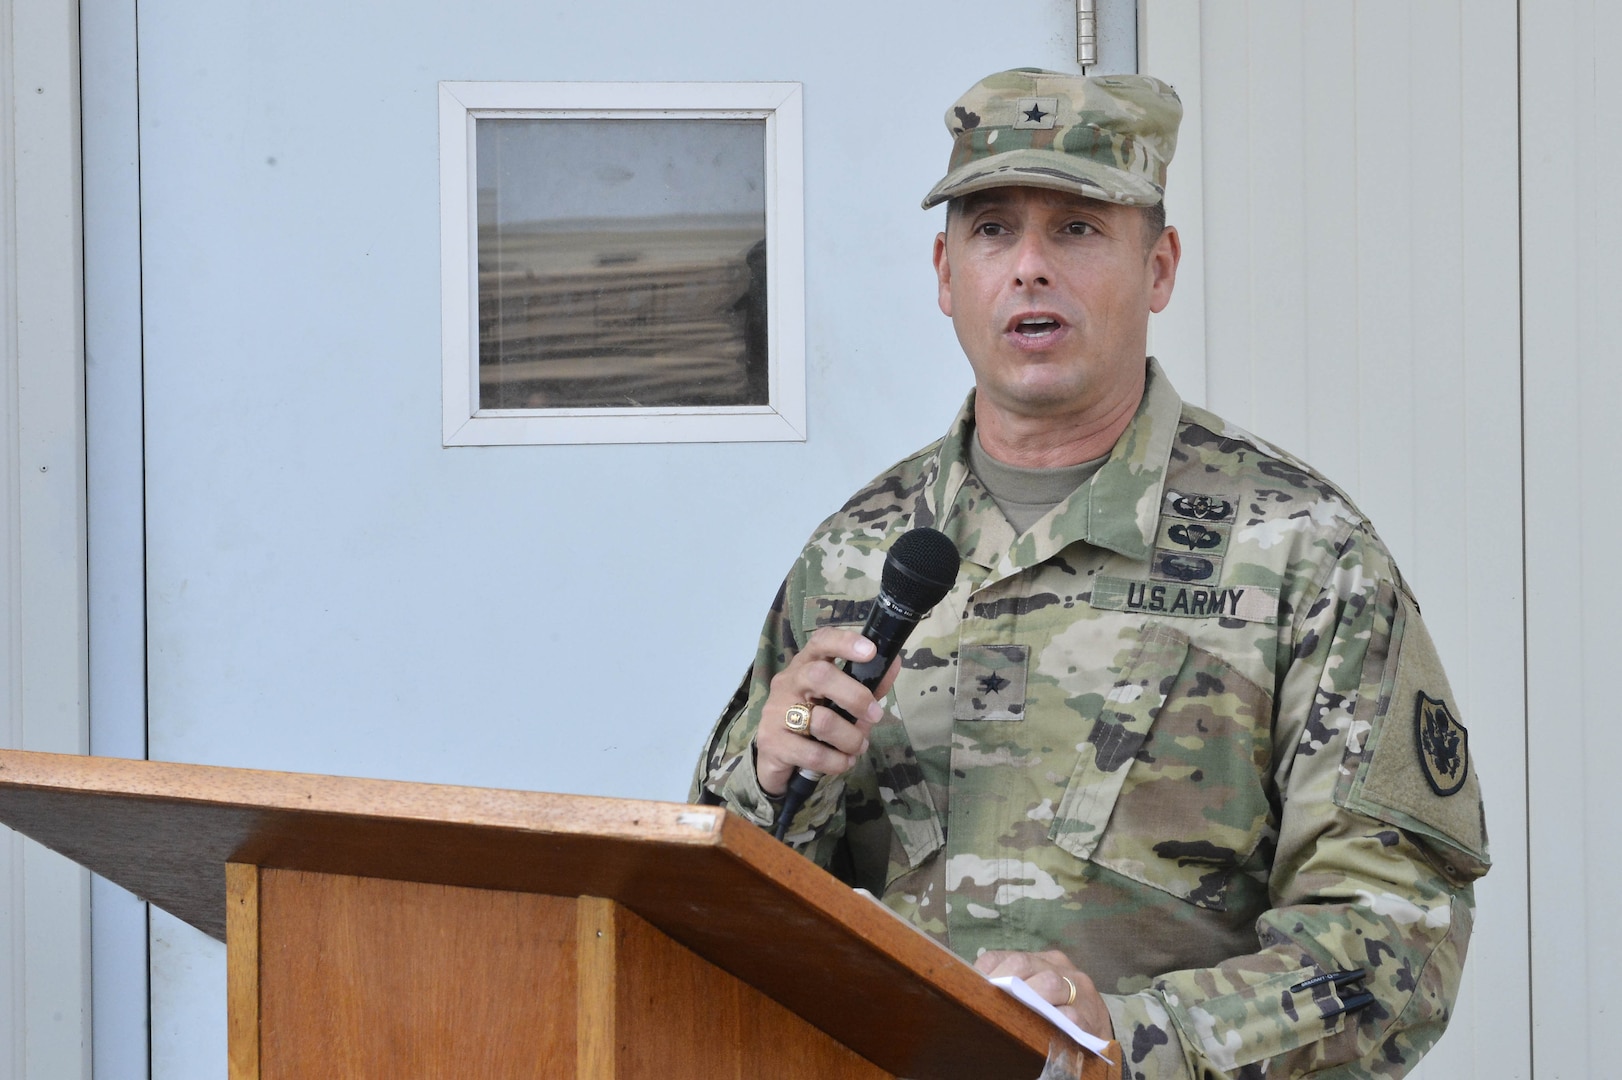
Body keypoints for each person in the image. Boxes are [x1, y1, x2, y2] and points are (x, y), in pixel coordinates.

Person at [690, 68, 1488, 1079]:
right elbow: (727, 915)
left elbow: (1397, 945)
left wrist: (1124, 1041)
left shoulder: (1301, 552)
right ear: (944, 274)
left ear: (1157, 269)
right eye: (991, 230)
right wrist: (765, 779)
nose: (1027, 267)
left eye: (1075, 229)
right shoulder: (857, 555)